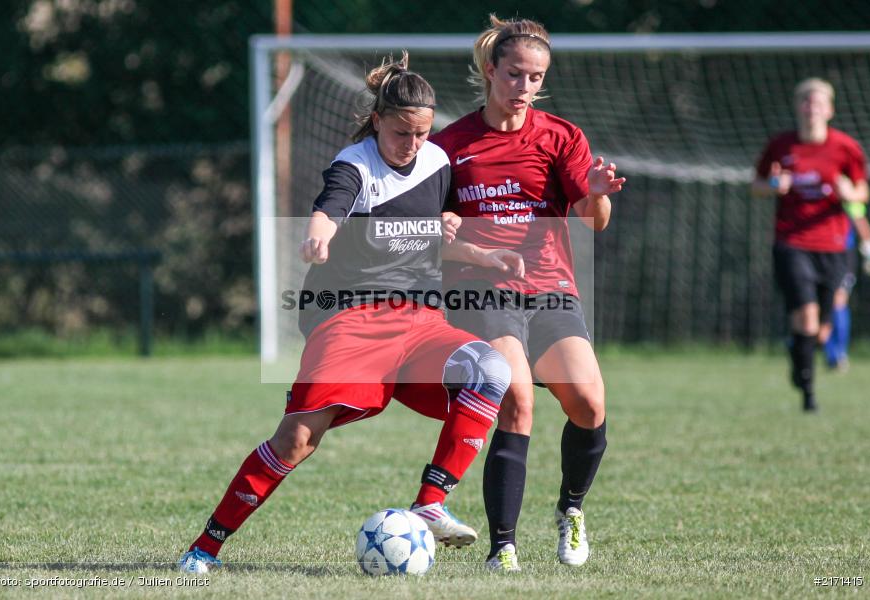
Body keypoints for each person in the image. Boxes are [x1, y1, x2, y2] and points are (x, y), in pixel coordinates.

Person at [178, 54, 512, 573]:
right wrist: (318, 234)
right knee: (296, 440)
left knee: (490, 369)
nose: (414, 143)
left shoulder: (438, 164)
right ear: (378, 120)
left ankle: (431, 500)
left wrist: (481, 253)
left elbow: (431, 236)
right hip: (351, 320)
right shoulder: (354, 165)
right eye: (403, 132)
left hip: (420, 321)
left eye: (423, 133)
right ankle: (205, 547)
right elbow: (331, 207)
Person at [431, 15, 625, 571]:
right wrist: (442, 227)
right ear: (491, 71)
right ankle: (503, 547)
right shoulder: (450, 145)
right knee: (517, 399)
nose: (525, 86)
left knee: (589, 404)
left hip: (550, 289)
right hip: (480, 291)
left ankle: (571, 509)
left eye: (536, 77)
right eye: (515, 74)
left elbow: (594, 220)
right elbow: (432, 232)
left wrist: (596, 194)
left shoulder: (562, 137)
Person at [752, 77, 870, 411]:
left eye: (818, 103)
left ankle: (799, 359)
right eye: (806, 102)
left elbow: (862, 191)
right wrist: (774, 185)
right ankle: (809, 395)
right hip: (792, 242)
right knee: (806, 316)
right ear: (797, 107)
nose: (811, 108)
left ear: (830, 110)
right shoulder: (781, 146)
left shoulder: (846, 148)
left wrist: (851, 193)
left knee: (820, 330)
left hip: (834, 246)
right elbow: (757, 185)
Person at [823, 204, 870, 371]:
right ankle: (811, 348)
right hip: (815, 252)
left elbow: (859, 219)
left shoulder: (844, 188)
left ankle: (838, 355)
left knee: (839, 299)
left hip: (842, 254)